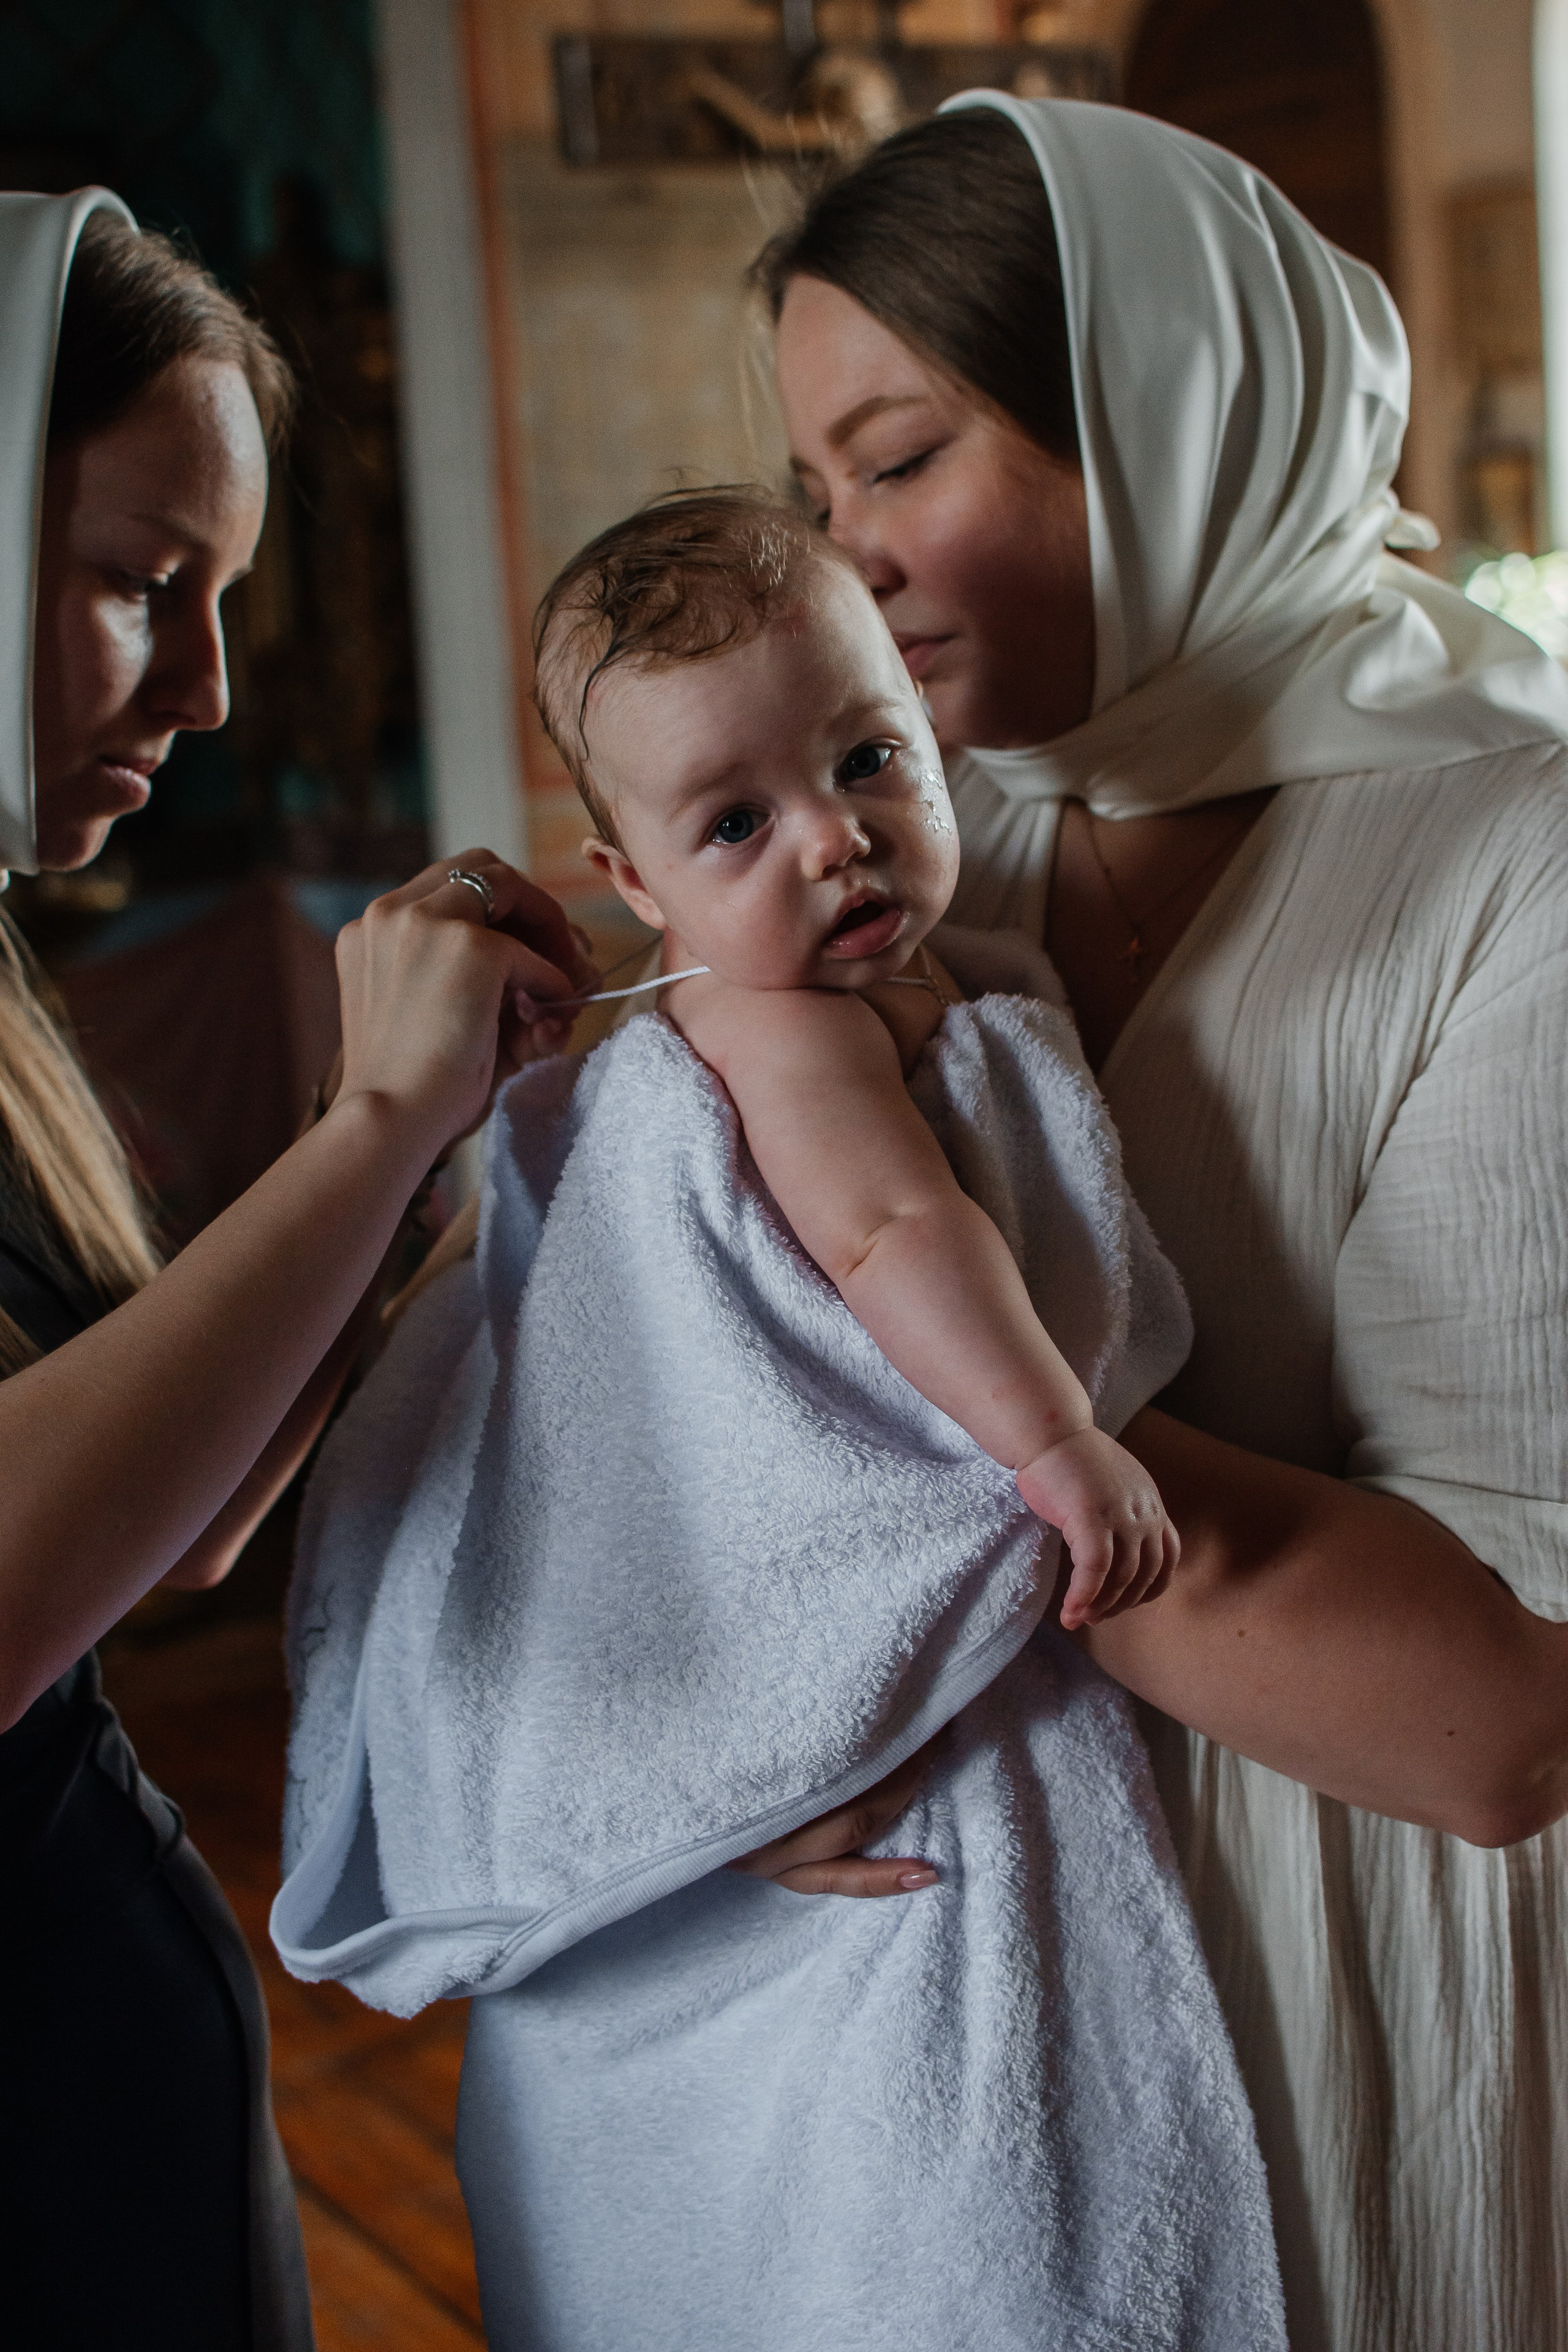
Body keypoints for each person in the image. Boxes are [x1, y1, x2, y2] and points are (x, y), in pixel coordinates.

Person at [272, 484, 1284, 2348]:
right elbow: (894, 1233)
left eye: (868, 758)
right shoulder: (786, 1035)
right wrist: (1052, 1442)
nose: (832, 843)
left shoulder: (932, 980)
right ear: (637, 886)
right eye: (736, 822)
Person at [744, 95, 1568, 2351]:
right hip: (983, 2007)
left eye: (902, 462)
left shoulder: (1523, 854)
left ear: (1170, 416)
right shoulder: (932, 855)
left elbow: (1489, 1717)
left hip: (1359, 1984)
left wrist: (889, 1470)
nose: (847, 568)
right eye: (817, 500)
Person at [0, 190, 591, 2350]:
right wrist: (361, 1128)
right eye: (147, 585)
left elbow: (168, 1538)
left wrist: (443, 1159)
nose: (217, 687)